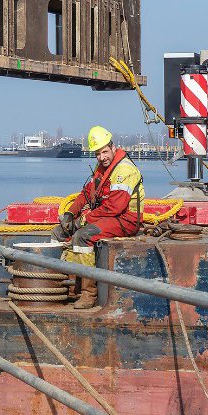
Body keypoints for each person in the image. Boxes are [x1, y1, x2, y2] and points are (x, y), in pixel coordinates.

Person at [51, 125, 143, 309]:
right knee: (59, 232)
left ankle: (88, 293)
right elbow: (87, 193)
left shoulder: (124, 170)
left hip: (125, 220)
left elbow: (115, 207)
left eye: (105, 152)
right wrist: (71, 213)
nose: (102, 157)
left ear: (113, 147)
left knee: (82, 236)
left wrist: (84, 220)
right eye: (98, 154)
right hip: (107, 216)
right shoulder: (102, 167)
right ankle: (66, 284)